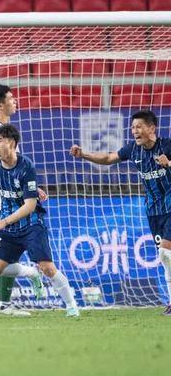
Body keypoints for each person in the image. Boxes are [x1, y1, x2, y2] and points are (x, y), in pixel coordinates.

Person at [70, 109, 171, 315]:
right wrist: (84, 154)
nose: (134, 131)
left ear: (152, 128)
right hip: (153, 210)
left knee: (166, 252)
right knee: (165, 257)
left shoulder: (167, 146)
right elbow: (108, 158)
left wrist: (169, 163)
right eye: (133, 128)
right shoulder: (133, 149)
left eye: (139, 127)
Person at [0, 124, 79, 317]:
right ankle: (31, 273)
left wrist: (4, 221)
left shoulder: (26, 166)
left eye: (0, 140)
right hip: (8, 224)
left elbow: (30, 205)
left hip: (31, 224)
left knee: (47, 267)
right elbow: (0, 180)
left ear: (12, 143)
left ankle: (71, 306)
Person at [0, 84, 46, 316]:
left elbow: (15, 169)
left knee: (5, 256)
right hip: (5, 198)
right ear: (1, 105)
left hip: (12, 194)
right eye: (11, 98)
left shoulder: (4, 129)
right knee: (5, 255)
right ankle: (4, 301)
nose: (15, 101)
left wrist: (33, 188)